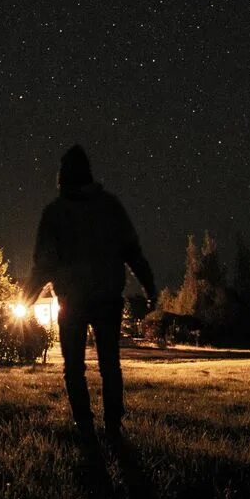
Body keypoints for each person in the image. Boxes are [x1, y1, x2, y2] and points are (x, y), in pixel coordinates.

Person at [24, 144, 157, 445]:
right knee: (110, 365)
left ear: (62, 177)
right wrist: (150, 287)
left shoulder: (55, 213)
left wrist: (27, 297)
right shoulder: (110, 206)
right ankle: (113, 426)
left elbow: (43, 263)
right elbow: (132, 252)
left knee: (74, 367)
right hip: (108, 297)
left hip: (72, 301)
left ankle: (85, 426)